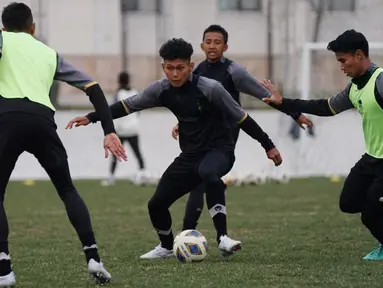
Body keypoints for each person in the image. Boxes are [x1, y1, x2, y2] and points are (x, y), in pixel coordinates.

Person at [66, 38, 283, 260]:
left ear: (190, 66)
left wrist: (268, 146)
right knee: (156, 204)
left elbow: (242, 119)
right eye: (170, 68)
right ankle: (167, 246)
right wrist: (92, 117)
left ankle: (223, 238)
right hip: (189, 156)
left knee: (208, 171)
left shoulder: (211, 89)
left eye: (180, 68)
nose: (175, 74)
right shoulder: (161, 90)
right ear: (163, 68)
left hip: (220, 150)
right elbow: (126, 106)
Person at [0, 3, 127, 286]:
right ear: (33, 29)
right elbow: (92, 87)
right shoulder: (49, 53)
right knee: (67, 189)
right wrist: (108, 130)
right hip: (43, 121)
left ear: (3, 27)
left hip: (7, 119)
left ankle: (4, 269)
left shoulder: (1, 40)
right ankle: (94, 258)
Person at [170, 24, 313, 230]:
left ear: (225, 47)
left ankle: (190, 234)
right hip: (202, 135)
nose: (212, 46)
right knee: (201, 179)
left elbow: (264, 95)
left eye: (217, 42)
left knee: (200, 178)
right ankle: (196, 232)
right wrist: (181, 123)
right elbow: (196, 105)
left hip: (225, 136)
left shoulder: (233, 71)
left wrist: (295, 113)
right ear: (202, 45)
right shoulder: (198, 70)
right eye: (208, 42)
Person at [261, 29, 383, 261]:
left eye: (343, 60)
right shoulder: (356, 86)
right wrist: (284, 103)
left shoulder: (380, 81)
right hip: (372, 158)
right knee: (349, 202)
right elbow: (325, 107)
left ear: (359, 55)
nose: (341, 66)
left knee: (370, 213)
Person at [101, 71, 146, 186]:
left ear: (119, 81)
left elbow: (111, 111)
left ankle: (111, 178)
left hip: (121, 130)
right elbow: (139, 111)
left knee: (115, 154)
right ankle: (142, 174)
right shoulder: (135, 92)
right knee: (137, 153)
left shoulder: (118, 94)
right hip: (133, 128)